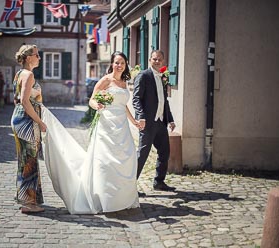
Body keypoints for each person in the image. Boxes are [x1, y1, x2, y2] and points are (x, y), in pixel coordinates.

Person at [42, 51, 140, 214]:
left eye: (122, 62)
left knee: (127, 158)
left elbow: (124, 105)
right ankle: (103, 199)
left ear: (126, 65)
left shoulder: (124, 82)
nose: (119, 65)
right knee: (105, 162)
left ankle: (121, 198)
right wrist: (98, 106)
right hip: (107, 124)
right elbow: (92, 99)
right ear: (112, 64)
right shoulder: (106, 80)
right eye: (116, 62)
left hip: (122, 126)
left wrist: (134, 121)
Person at [132, 50, 176, 194]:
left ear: (163, 61)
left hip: (160, 122)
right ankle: (130, 186)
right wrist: (141, 117)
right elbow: (136, 99)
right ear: (150, 60)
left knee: (165, 152)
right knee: (143, 153)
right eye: (154, 59)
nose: (157, 61)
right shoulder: (143, 76)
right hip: (147, 122)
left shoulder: (162, 77)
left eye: (159, 59)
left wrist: (170, 119)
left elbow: (164, 102)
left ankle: (159, 182)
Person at [11, 44, 47, 214]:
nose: (39, 57)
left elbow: (16, 99)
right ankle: (28, 203)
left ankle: (28, 199)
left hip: (19, 118)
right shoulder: (29, 75)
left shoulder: (19, 74)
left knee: (26, 160)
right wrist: (40, 121)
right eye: (36, 54)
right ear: (28, 58)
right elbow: (25, 102)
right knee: (29, 161)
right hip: (26, 121)